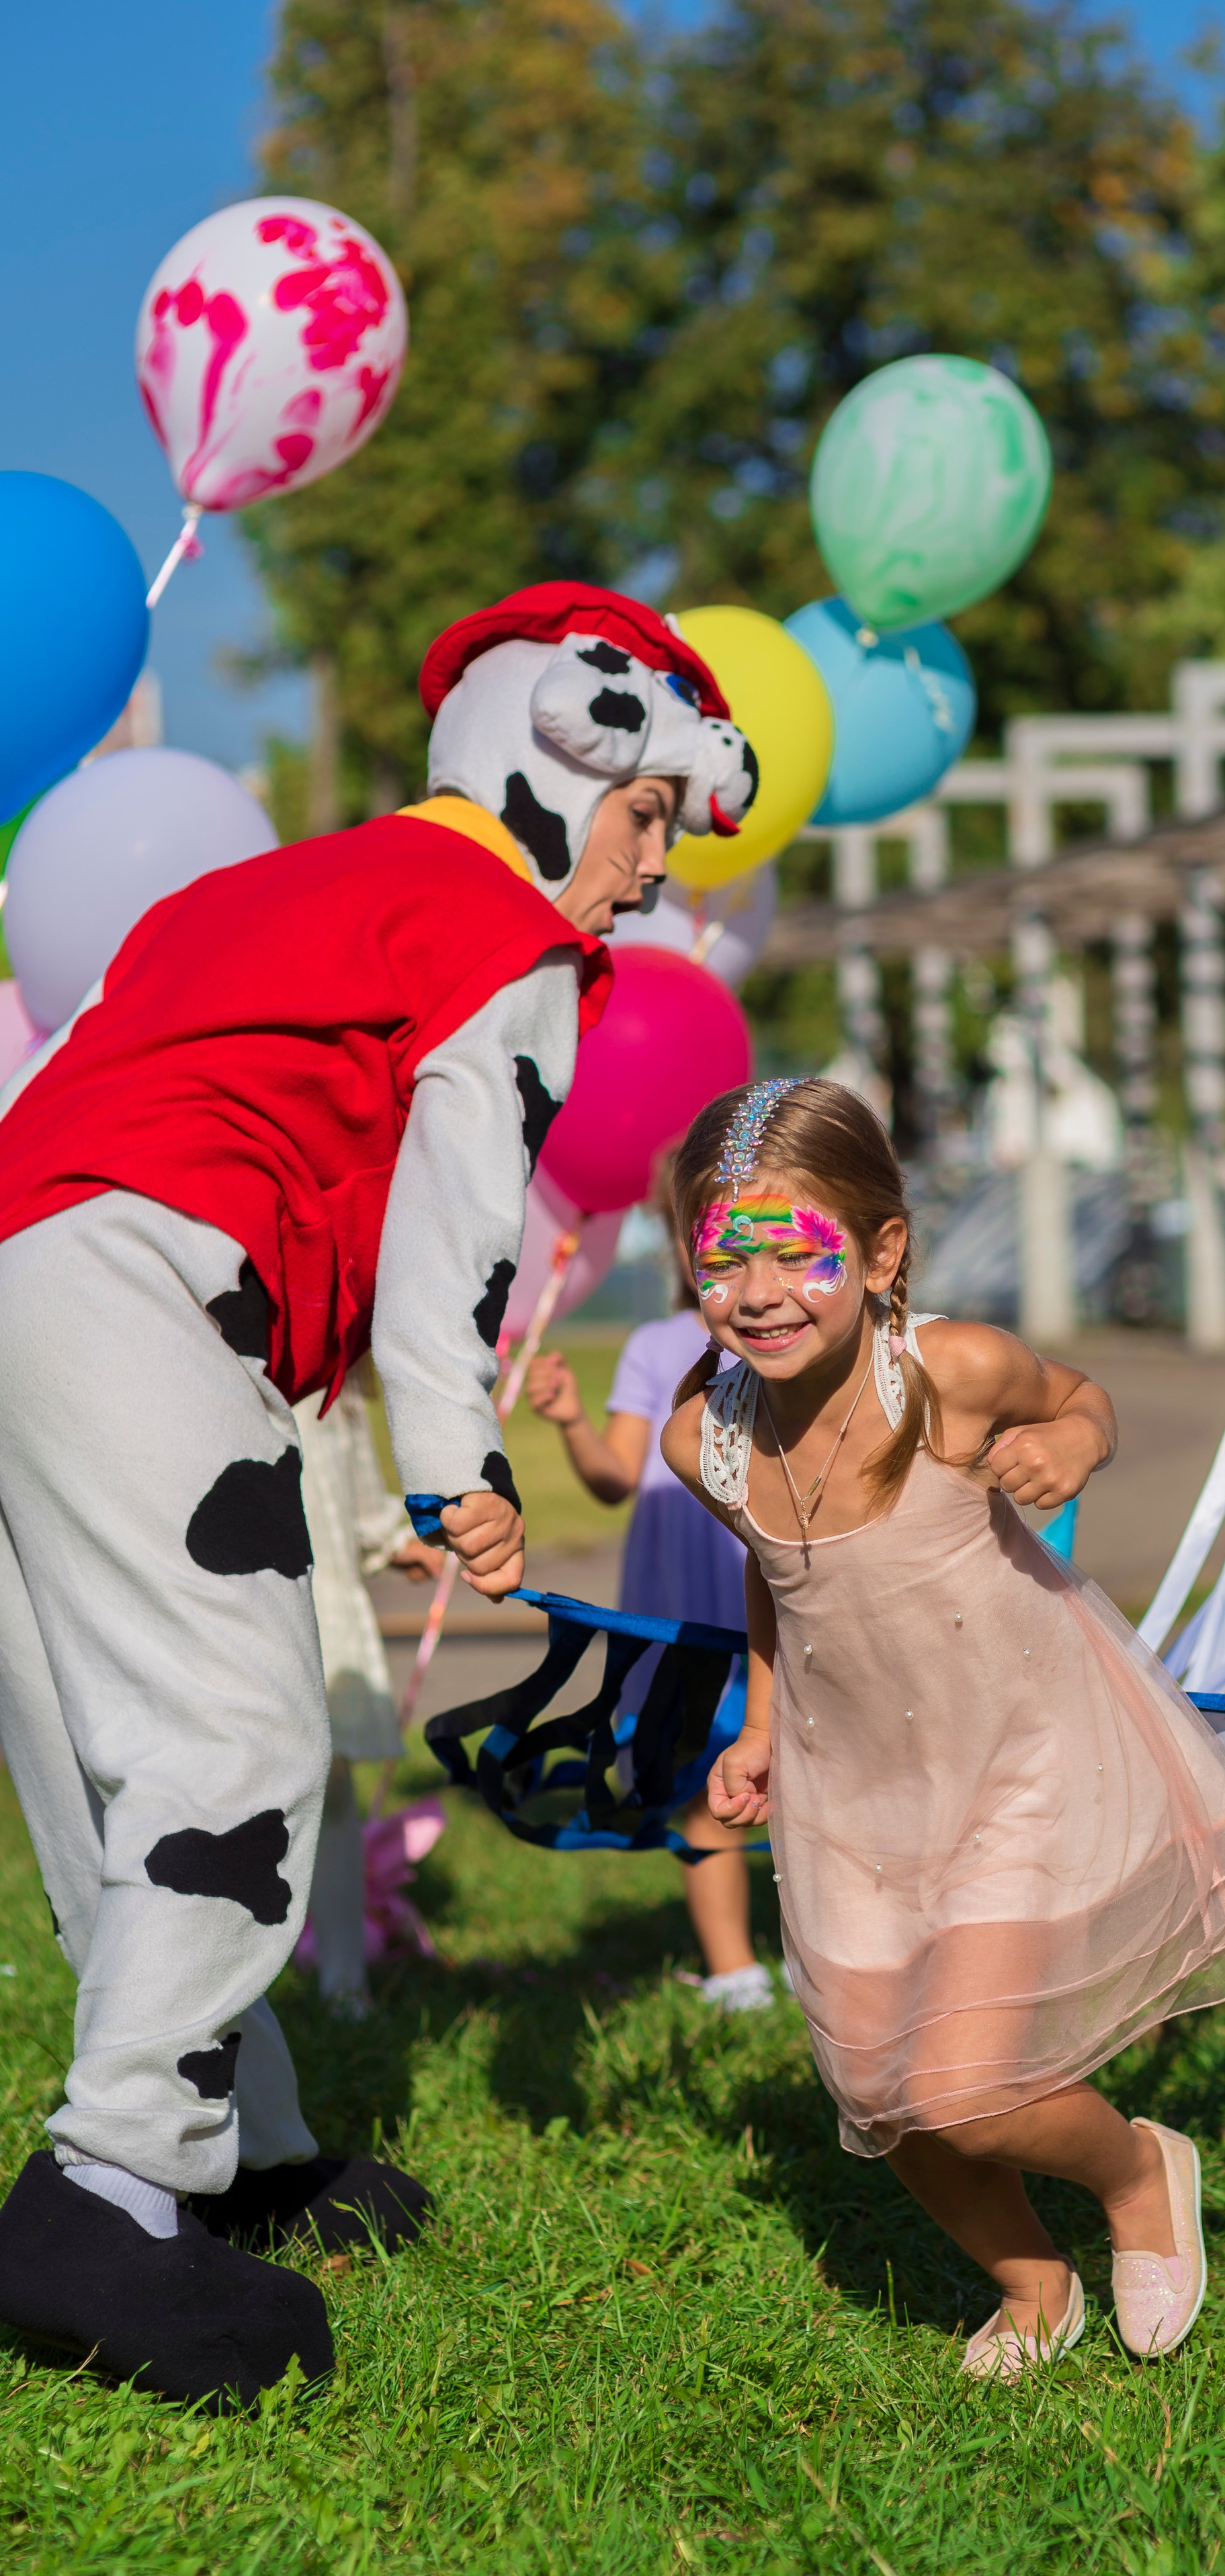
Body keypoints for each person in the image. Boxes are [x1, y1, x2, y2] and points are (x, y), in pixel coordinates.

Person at [0, 580, 757, 2407]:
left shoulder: (272, 885)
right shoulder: (502, 934)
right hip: (144, 1277)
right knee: (237, 1736)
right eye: (652, 814)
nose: (650, 873)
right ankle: (101, 2201)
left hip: (32, 1243)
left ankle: (233, 2147)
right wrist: (457, 1471)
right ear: (567, 745)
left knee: (106, 1754)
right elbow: (449, 1247)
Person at [661, 1078, 1225, 2381]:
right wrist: (763, 1724)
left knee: (960, 2083)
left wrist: (1070, 1440)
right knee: (881, 2099)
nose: (761, 1289)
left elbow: (1076, 1398)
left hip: (1021, 1762)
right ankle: (1029, 2281)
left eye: (801, 1252)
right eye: (724, 1256)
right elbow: (778, 1579)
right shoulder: (701, 1441)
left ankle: (1133, 2177)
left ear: (881, 1252)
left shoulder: (946, 1373)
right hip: (858, 1792)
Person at [524, 1202, 769, 2012]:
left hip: (771, 1607)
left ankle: (821, 1952)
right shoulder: (653, 1347)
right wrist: (570, 1425)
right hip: (680, 1618)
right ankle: (735, 1970)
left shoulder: (783, 1341)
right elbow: (614, 1478)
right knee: (703, 1788)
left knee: (801, 1779)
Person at [294, 1376, 443, 2017]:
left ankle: (344, 1982)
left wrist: (387, 1534)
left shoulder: (333, 1380)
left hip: (316, 1596)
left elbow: (344, 1470)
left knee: (330, 1792)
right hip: (233, 1596)